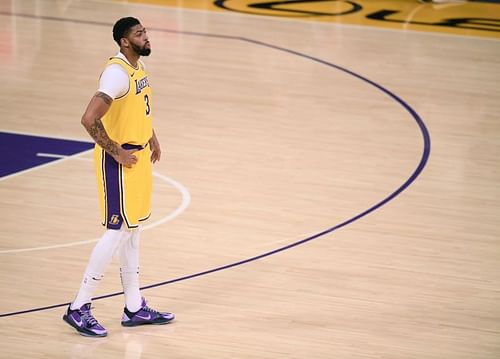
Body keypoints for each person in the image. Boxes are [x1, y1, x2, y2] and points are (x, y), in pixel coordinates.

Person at [62, 17, 174, 338]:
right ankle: (79, 306)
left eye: (145, 31)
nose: (146, 36)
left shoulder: (136, 68)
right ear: (125, 42)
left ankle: (134, 306)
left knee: (133, 232)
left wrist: (150, 135)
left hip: (137, 159)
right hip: (120, 161)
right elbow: (89, 118)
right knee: (115, 232)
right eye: (139, 33)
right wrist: (116, 152)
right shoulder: (116, 73)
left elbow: (135, 109)